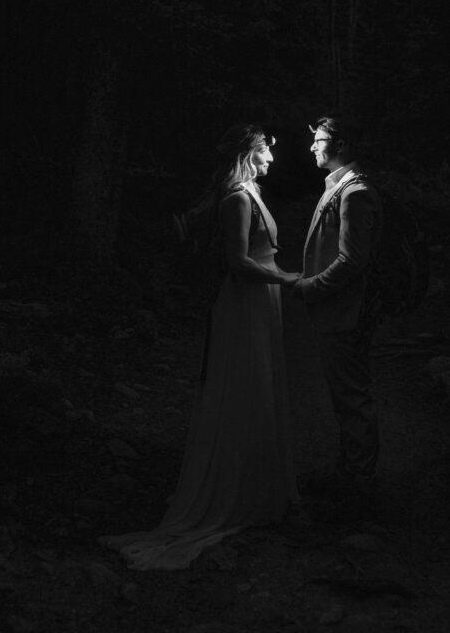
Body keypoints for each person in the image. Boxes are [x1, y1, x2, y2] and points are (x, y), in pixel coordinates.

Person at [99, 124, 300, 570]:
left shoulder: (248, 193)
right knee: (244, 386)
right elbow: (238, 261)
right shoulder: (236, 199)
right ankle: (235, 492)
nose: (272, 155)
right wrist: (285, 278)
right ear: (249, 153)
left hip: (258, 302)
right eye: (266, 149)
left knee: (260, 385)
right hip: (245, 302)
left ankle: (258, 488)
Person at [292, 115, 383, 516]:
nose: (313, 145)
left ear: (342, 145)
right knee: (345, 393)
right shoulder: (339, 187)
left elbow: (351, 261)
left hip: (345, 313)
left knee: (351, 396)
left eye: (320, 139)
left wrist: (310, 287)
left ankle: (359, 487)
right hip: (337, 311)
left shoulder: (355, 193)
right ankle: (351, 475)